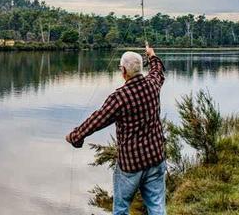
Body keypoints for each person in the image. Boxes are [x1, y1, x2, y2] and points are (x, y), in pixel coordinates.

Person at [66, 44, 166, 215]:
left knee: (121, 208)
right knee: (157, 208)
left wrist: (76, 136)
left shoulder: (120, 97)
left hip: (131, 164)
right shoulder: (152, 85)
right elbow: (157, 71)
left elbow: (97, 120)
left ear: (124, 71)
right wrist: (152, 55)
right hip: (155, 158)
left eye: (121, 68)